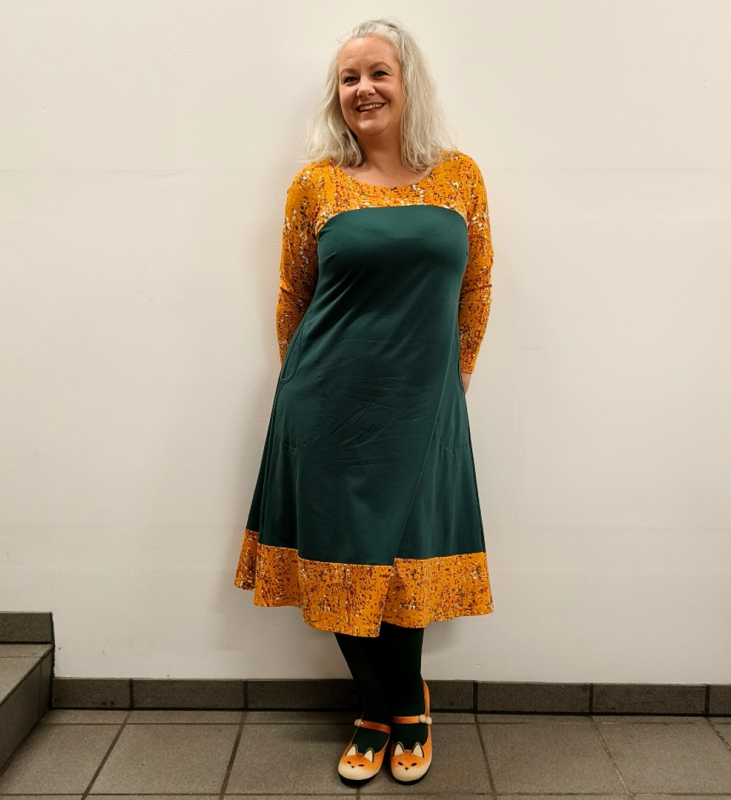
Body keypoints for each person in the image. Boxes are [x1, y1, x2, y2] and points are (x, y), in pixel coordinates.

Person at [234, 17, 495, 786]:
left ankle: (409, 703)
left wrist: (458, 374)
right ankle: (376, 708)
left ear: (408, 82)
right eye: (349, 78)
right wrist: (303, 388)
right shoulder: (315, 184)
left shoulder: (460, 176)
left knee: (406, 555)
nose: (363, 89)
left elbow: (477, 284)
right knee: (339, 558)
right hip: (326, 406)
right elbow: (294, 294)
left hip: (422, 405)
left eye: (378, 72)